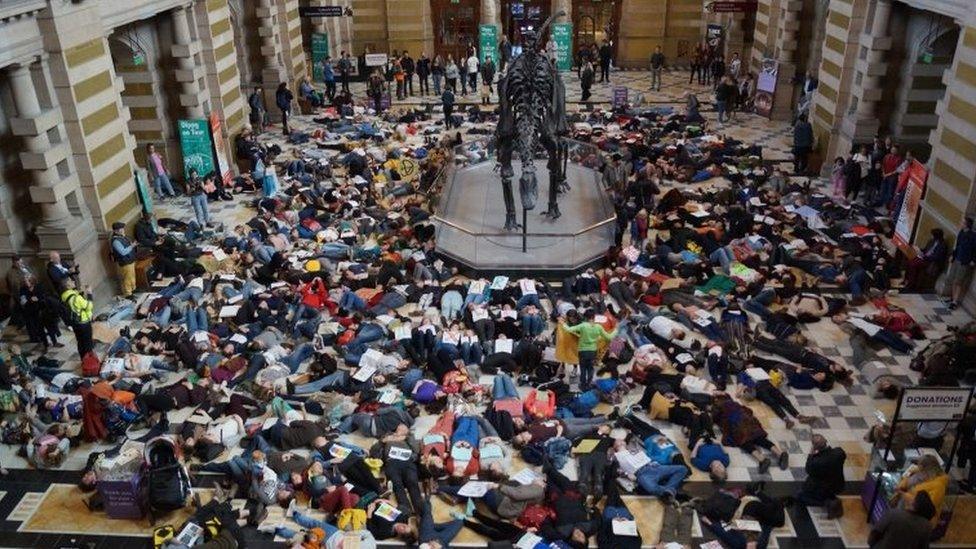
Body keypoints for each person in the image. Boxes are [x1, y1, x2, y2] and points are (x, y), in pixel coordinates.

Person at [560, 309, 617, 389]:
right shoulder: (598, 327)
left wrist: (562, 323)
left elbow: (569, 329)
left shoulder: (583, 325)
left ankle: (583, 385)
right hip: (592, 352)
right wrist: (616, 330)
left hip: (582, 351)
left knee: (583, 369)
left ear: (586, 317)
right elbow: (609, 337)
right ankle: (589, 383)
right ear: (594, 317)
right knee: (590, 368)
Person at [797, 434, 846, 518]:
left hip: (822, 488)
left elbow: (808, 469)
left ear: (815, 447)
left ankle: (827, 503)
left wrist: (811, 454)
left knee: (800, 495)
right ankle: (832, 499)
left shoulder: (816, 461)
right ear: (826, 441)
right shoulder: (839, 452)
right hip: (838, 485)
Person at [868, 490, 935, 549]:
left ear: (914, 503)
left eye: (913, 497)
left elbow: (874, 534)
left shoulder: (893, 514)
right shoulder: (927, 526)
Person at [946, 217, 976, 309]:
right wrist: (953, 255)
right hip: (957, 259)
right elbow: (957, 245)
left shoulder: (973, 236)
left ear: (966, 224)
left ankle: (955, 301)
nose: (960, 223)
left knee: (958, 282)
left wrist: (973, 260)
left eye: (962, 222)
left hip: (964, 261)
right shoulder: (961, 233)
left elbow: (975, 249)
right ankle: (952, 298)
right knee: (953, 279)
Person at [61, 278, 94, 358]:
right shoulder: (76, 298)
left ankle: (83, 359)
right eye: (70, 281)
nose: (73, 281)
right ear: (68, 286)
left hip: (74, 323)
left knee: (80, 341)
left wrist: (79, 293)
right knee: (88, 343)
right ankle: (90, 361)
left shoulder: (64, 296)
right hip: (83, 323)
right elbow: (89, 306)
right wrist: (89, 293)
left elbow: (74, 305)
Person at [110, 221, 137, 298]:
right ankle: (128, 294)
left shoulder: (122, 237)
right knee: (127, 279)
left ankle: (132, 290)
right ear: (115, 231)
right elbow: (123, 252)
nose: (122, 231)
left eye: (122, 229)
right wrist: (132, 246)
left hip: (130, 260)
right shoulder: (116, 241)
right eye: (120, 230)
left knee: (132, 277)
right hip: (125, 262)